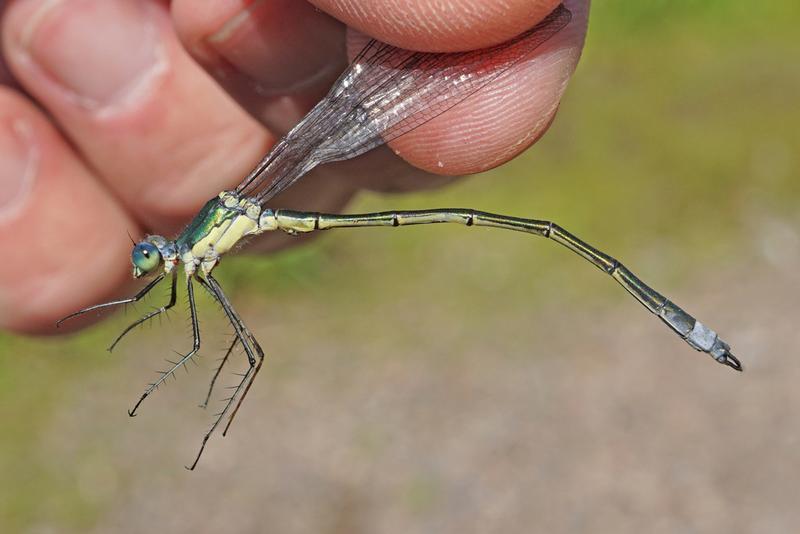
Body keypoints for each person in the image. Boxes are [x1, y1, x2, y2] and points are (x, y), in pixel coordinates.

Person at [0, 0, 588, 334]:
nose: (151, 263)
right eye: (150, 258)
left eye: (150, 256)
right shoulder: (189, 259)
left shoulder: (193, 248)